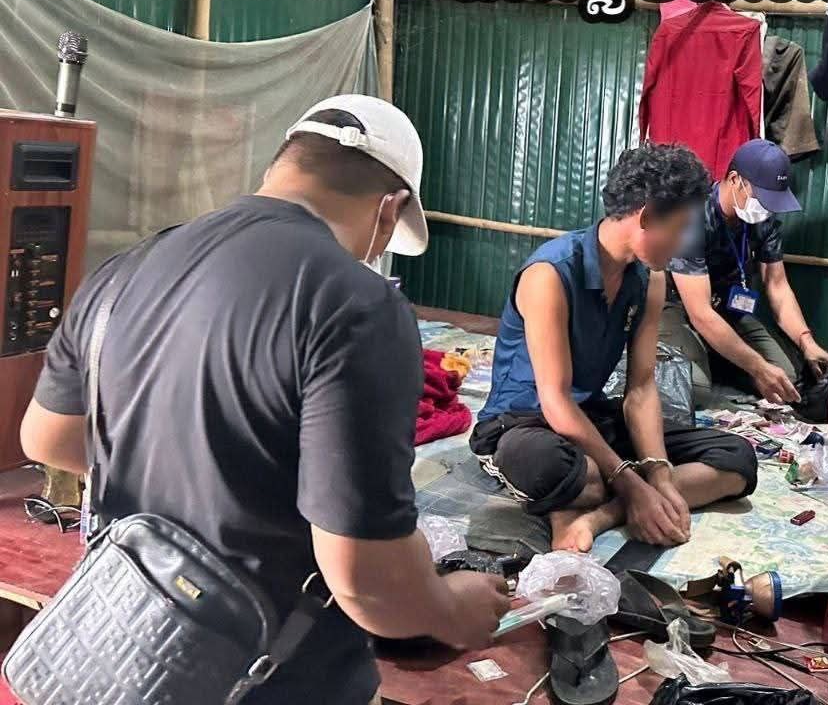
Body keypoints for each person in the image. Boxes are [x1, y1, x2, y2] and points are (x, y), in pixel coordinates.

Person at [20, 95, 510, 704]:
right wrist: (451, 609)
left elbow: (48, 437)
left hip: (126, 647)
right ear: (390, 211)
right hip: (271, 675)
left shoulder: (124, 269)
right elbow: (367, 581)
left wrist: (202, 473)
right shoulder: (355, 302)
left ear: (279, 167)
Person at [471, 143, 758, 553]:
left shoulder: (649, 278)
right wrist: (629, 480)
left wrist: (658, 475)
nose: (681, 244)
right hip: (525, 423)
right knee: (547, 466)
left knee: (737, 456)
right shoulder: (550, 274)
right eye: (678, 228)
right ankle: (611, 492)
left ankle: (599, 514)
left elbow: (640, 386)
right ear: (647, 217)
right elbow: (555, 401)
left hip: (589, 419)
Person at [660, 138, 828, 420]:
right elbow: (700, 313)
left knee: (787, 379)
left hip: (727, 307)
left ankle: (718, 354)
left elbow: (777, 287)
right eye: (762, 197)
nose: (766, 208)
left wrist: (807, 342)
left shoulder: (763, 221)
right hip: (676, 307)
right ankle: (707, 354)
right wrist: (757, 366)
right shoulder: (693, 218)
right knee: (694, 387)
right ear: (735, 180)